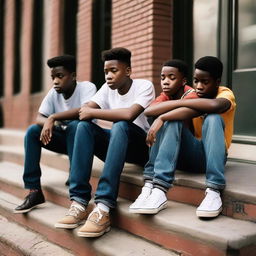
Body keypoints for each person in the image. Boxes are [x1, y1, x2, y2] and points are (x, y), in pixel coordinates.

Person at [54, 47, 155, 237]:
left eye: (114, 71)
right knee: (82, 126)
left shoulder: (144, 86)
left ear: (128, 71)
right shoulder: (106, 89)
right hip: (118, 144)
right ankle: (79, 202)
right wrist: (53, 117)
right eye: (106, 72)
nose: (108, 76)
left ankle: (103, 207)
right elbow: (84, 111)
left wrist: (92, 112)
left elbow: (129, 114)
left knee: (120, 125)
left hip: (141, 148)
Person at [130, 56, 236, 218]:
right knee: (174, 119)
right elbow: (149, 111)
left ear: (217, 81)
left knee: (213, 117)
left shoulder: (224, 93)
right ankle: (158, 189)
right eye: (196, 81)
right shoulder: (194, 96)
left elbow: (215, 105)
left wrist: (165, 115)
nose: (199, 87)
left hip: (213, 156)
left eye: (205, 82)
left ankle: (214, 191)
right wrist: (172, 111)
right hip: (191, 155)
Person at [14, 55, 97, 214]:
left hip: (85, 142)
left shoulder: (87, 88)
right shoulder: (54, 93)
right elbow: (39, 117)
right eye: (53, 77)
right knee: (32, 131)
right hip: (63, 139)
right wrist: (50, 123)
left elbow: (84, 112)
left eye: (60, 76)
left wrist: (53, 117)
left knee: (76, 125)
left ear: (73, 76)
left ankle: (76, 180)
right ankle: (34, 191)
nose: (55, 81)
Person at [129, 59, 198, 214]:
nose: (165, 82)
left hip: (198, 156)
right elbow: (148, 111)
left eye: (172, 78)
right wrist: (161, 115)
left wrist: (163, 117)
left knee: (172, 119)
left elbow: (161, 112)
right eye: (162, 78)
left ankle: (160, 189)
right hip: (175, 156)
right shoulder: (166, 95)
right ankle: (148, 186)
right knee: (162, 116)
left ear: (183, 81)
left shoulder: (192, 94)